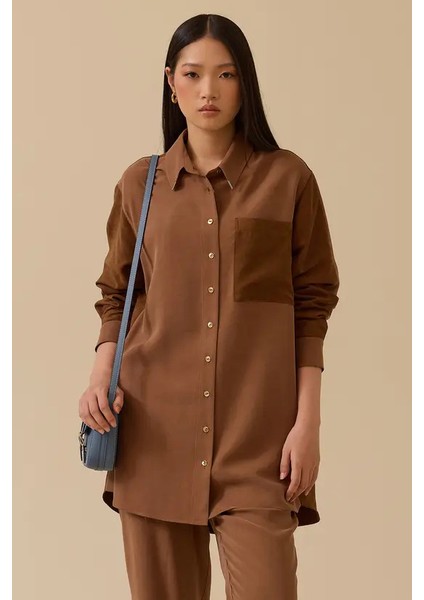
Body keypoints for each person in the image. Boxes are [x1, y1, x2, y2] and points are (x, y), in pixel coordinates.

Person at [78, 13, 340, 600]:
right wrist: (100, 376)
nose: (208, 91)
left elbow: (312, 305)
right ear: (171, 82)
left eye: (225, 74)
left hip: (259, 446)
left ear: (245, 82)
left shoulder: (288, 180)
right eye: (193, 74)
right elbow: (117, 293)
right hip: (153, 440)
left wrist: (308, 423)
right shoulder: (139, 186)